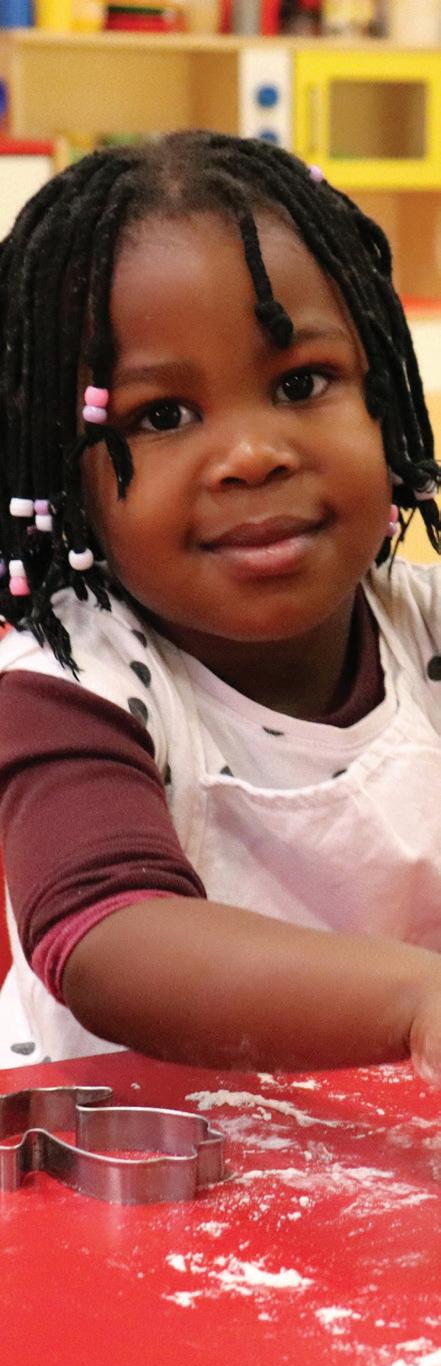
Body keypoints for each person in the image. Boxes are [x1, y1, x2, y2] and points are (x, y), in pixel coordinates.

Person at [0, 131, 440, 1079]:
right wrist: (414, 1001)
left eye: (300, 383)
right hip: (123, 1154)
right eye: (161, 416)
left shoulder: (428, 628)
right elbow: (108, 944)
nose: (252, 455)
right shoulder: (67, 687)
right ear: (65, 479)